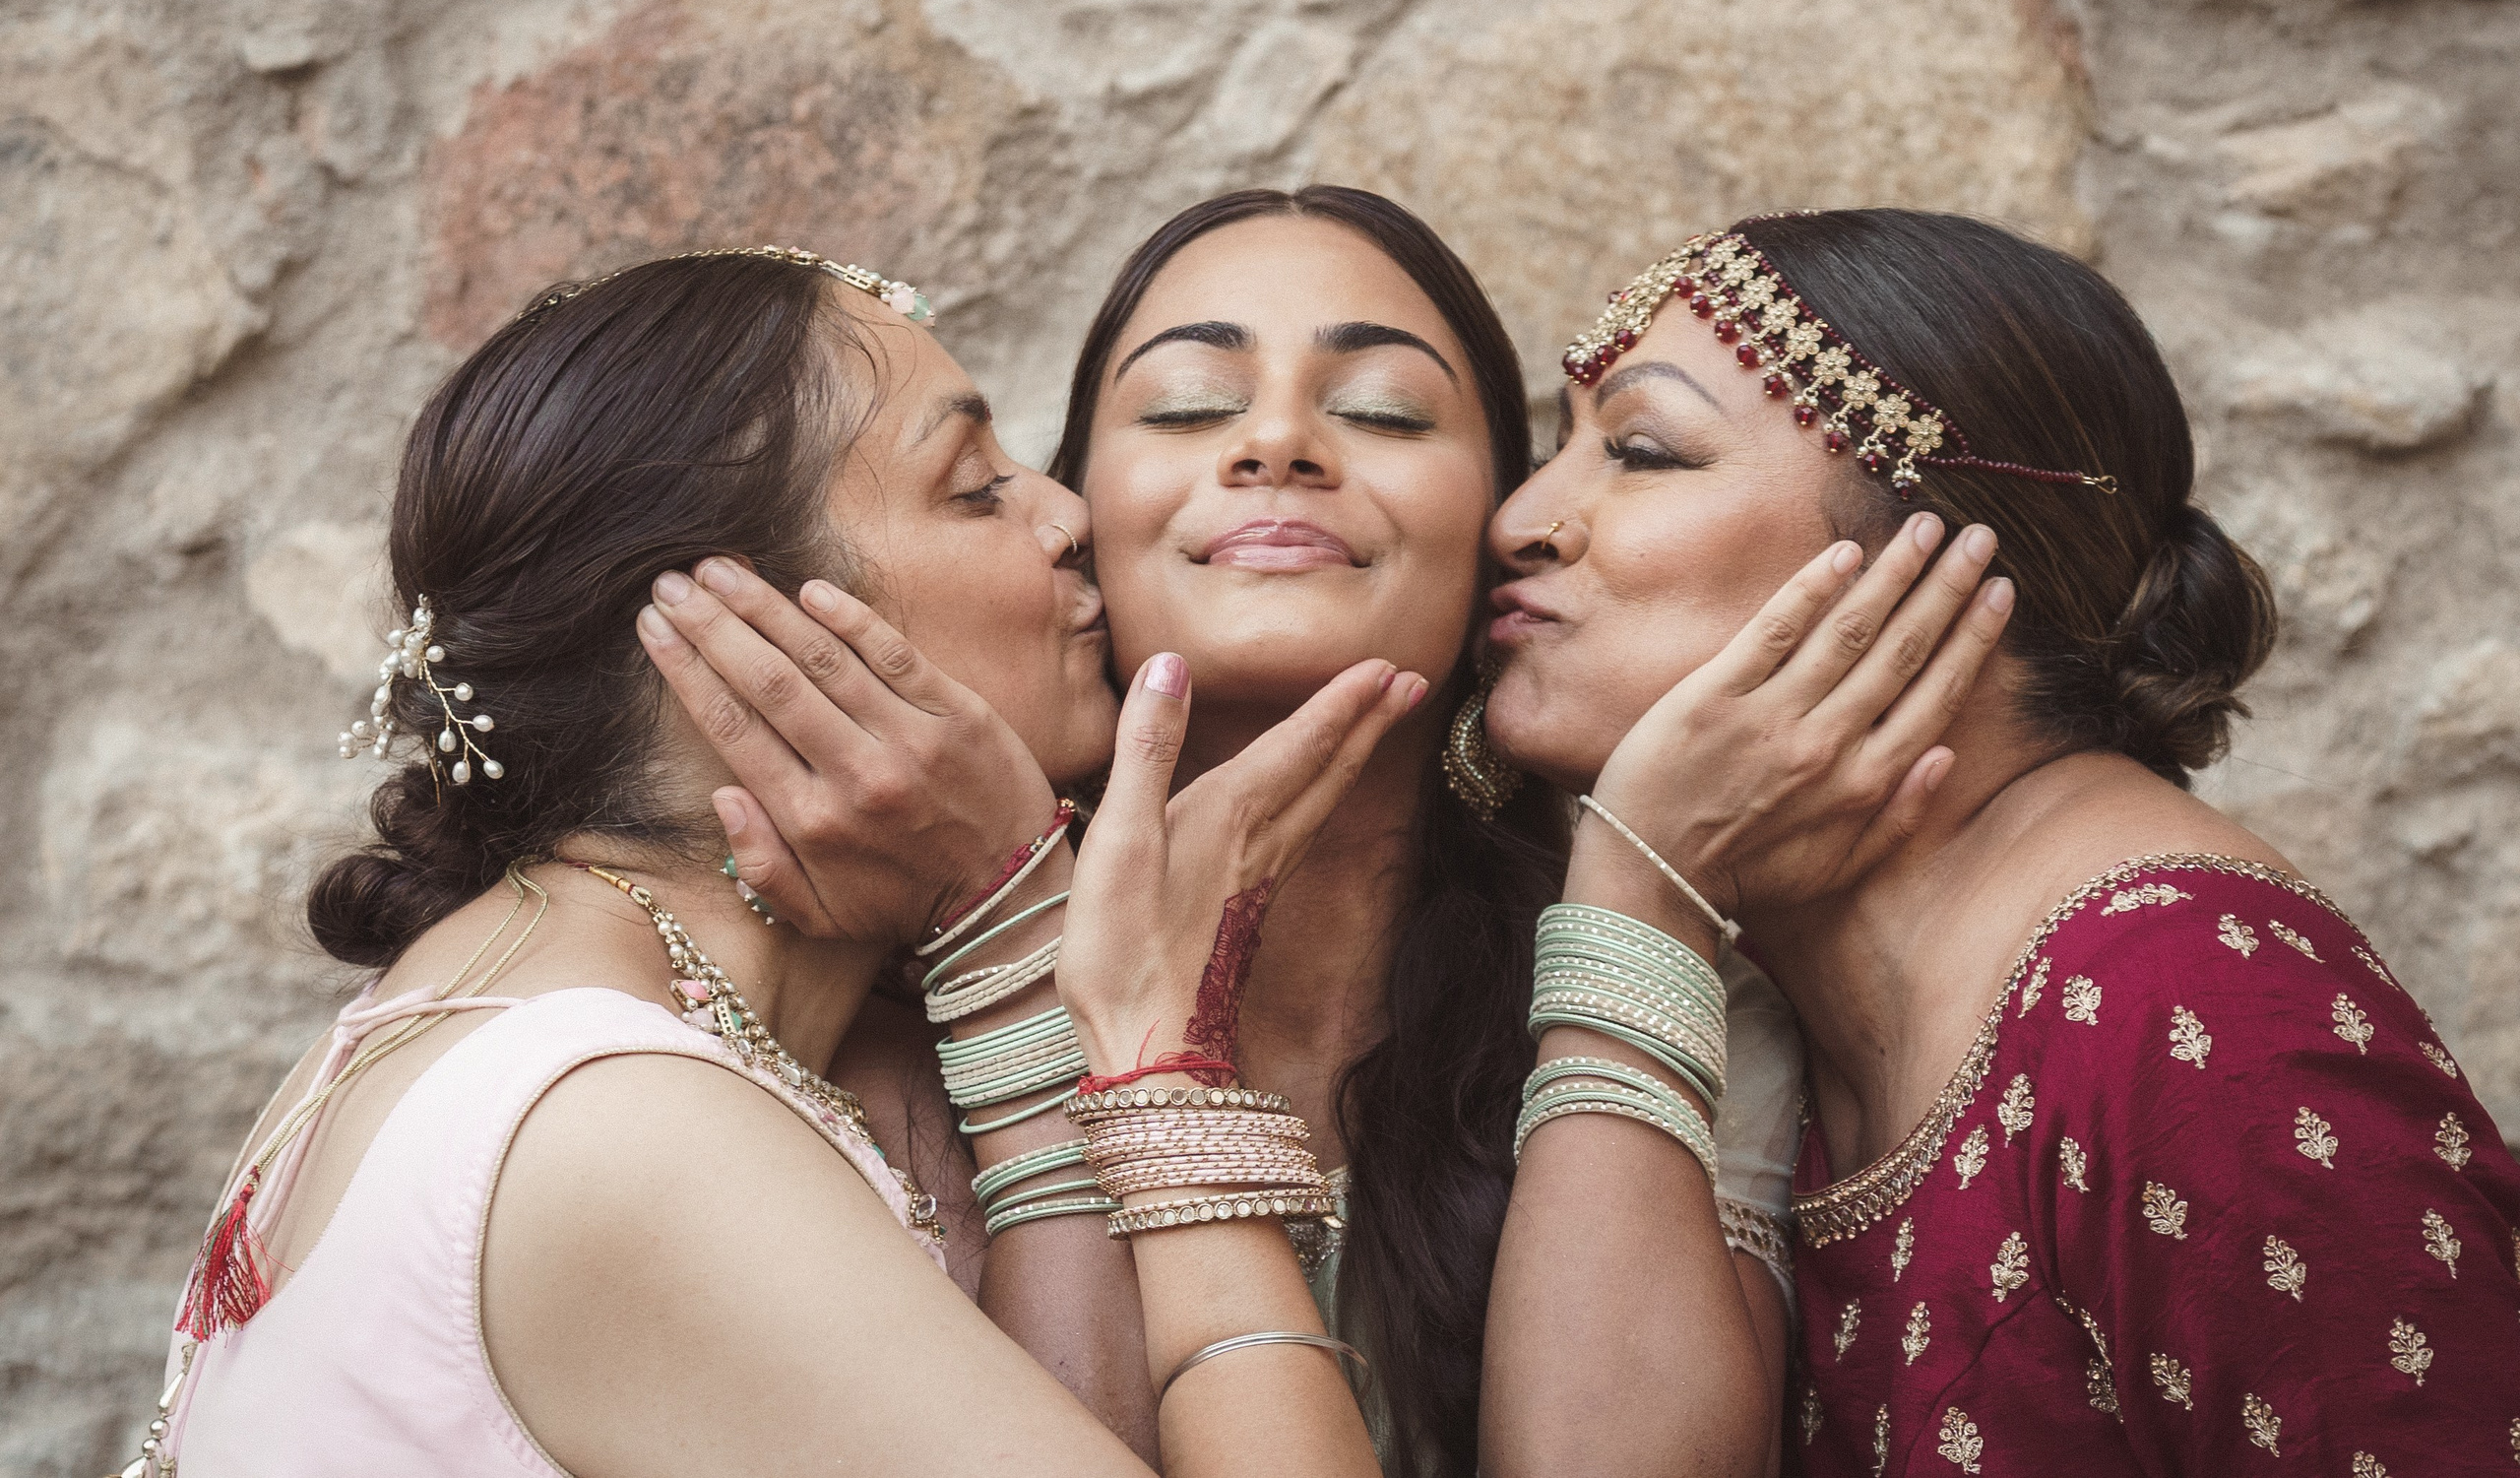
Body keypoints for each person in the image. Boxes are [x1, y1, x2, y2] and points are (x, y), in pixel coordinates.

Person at [682, 191, 2009, 1477]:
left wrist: (1638, 888)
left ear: (1506, 529)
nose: (1277, 443)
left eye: (1382, 411)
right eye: (1188, 405)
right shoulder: (891, 986)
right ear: (1072, 515)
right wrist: (1017, 951)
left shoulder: (1677, 969)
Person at [123, 246, 1422, 1478]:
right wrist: (1149, 1047)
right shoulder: (608, 1122)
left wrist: (1014, 934)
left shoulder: (534, 989)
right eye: (977, 485)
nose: (1068, 514)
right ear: (736, 637)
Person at [1479, 209, 2520, 1472]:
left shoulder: (2191, 1005)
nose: (1523, 517)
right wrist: (1636, 887)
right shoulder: (1790, 999)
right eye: (1556, 449)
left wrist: (1637, 879)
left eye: (1641, 452)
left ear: (1935, 558)